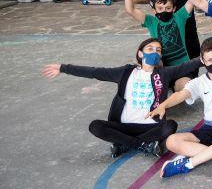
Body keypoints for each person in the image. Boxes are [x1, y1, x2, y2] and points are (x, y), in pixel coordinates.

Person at [41, 38, 201, 158]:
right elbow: (95, 72)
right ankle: (143, 145)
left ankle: (124, 145)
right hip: (123, 125)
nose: (155, 52)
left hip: (149, 126)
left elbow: (191, 64)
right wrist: (63, 68)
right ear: (140, 53)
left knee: (170, 126)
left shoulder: (164, 73)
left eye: (158, 50)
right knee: (95, 126)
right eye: (150, 48)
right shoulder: (126, 72)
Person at [151, 37, 212, 178]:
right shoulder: (199, 83)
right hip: (208, 130)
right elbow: (181, 94)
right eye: (210, 60)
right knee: (171, 141)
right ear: (202, 61)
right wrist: (163, 105)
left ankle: (188, 163)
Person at [123, 0, 197, 91]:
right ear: (154, 10)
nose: (164, 11)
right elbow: (130, 9)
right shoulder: (151, 21)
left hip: (182, 67)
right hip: (160, 67)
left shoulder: (180, 16)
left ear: (174, 9)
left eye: (168, 8)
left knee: (185, 88)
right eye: (160, 8)